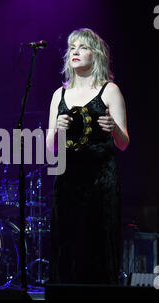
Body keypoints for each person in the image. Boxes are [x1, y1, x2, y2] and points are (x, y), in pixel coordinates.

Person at [46, 28, 129, 284]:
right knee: (67, 245)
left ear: (97, 55)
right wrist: (57, 131)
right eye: (72, 47)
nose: (75, 52)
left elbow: (124, 143)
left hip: (100, 181)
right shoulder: (58, 95)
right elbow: (50, 149)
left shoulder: (109, 90)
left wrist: (113, 127)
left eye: (83, 47)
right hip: (68, 181)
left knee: (98, 246)